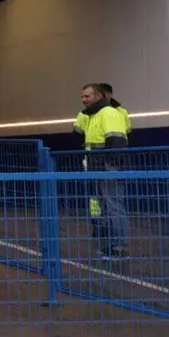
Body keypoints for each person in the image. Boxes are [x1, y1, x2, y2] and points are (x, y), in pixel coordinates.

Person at [76, 82, 130, 259]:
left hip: (107, 165)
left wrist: (111, 167)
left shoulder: (109, 113)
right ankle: (111, 244)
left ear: (98, 97)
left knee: (113, 204)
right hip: (97, 164)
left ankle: (119, 246)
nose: (83, 99)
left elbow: (116, 140)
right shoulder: (93, 115)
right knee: (105, 204)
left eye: (87, 96)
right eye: (83, 95)